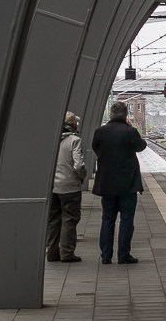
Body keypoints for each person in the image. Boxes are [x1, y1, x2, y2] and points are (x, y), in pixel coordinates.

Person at [92, 101, 147, 264]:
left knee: (107, 218)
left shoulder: (100, 132)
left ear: (110, 114)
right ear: (125, 115)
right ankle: (123, 255)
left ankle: (106, 255)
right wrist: (129, 128)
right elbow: (141, 147)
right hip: (127, 184)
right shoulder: (130, 132)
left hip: (106, 183)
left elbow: (96, 148)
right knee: (126, 219)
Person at [47, 112, 86, 263]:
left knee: (53, 220)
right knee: (70, 219)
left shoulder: (51, 140)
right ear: (72, 124)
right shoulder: (74, 140)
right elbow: (79, 165)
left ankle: (51, 252)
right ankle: (67, 252)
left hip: (53, 187)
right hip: (70, 187)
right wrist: (81, 176)